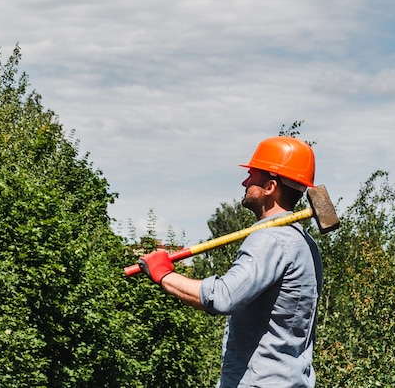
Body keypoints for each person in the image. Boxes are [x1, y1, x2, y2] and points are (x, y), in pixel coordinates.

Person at [138, 136, 323, 387]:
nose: (244, 182)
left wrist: (164, 275)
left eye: (252, 176)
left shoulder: (270, 239)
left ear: (269, 187)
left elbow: (223, 296)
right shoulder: (304, 243)